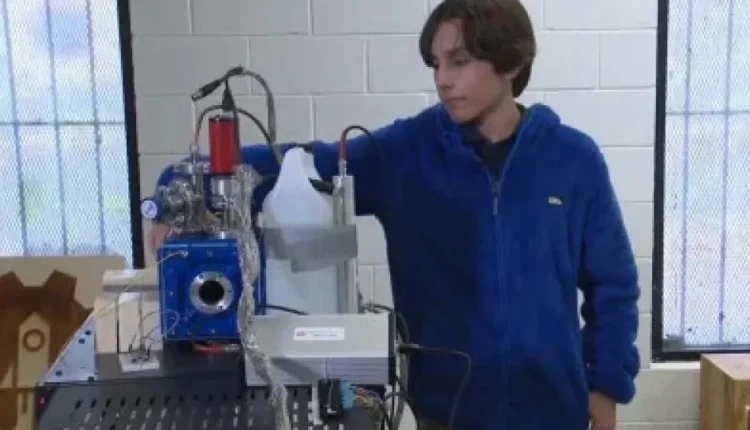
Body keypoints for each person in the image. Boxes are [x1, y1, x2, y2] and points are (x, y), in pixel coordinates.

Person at [148, 0, 640, 428]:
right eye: (436, 64)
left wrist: (606, 386)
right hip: (448, 411)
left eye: (460, 61)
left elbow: (613, 286)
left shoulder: (573, 160)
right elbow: (301, 163)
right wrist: (182, 187)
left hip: (553, 410)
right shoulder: (409, 153)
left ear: (511, 62)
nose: (443, 79)